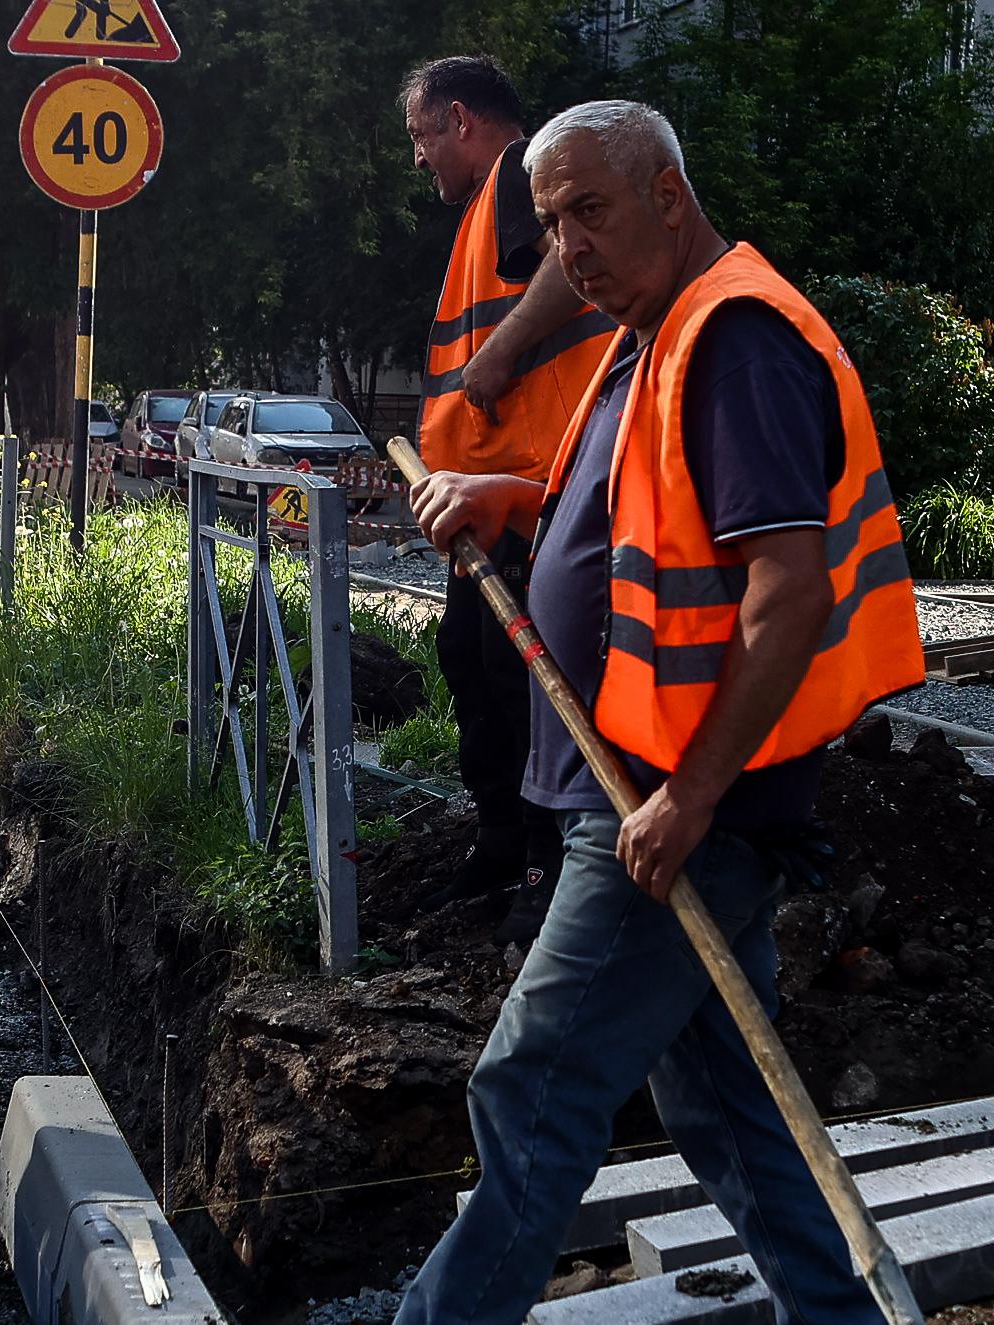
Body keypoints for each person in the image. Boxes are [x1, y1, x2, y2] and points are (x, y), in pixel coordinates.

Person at [399, 100, 923, 1325]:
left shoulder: (735, 338)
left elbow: (786, 593)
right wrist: (516, 498)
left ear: (667, 194)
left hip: (675, 803)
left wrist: (690, 797)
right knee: (728, 1105)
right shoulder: (655, 332)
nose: (567, 245)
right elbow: (641, 526)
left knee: (530, 1086)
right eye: (547, 221)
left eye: (589, 209)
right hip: (645, 786)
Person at [402, 55, 621, 928]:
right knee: (472, 654)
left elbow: (575, 266)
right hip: (497, 496)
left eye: (421, 136)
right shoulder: (486, 210)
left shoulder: (519, 177)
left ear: (462, 118)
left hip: (538, 485)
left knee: (516, 666)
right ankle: (504, 843)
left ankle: (543, 862)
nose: (419, 158)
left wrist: (498, 356)